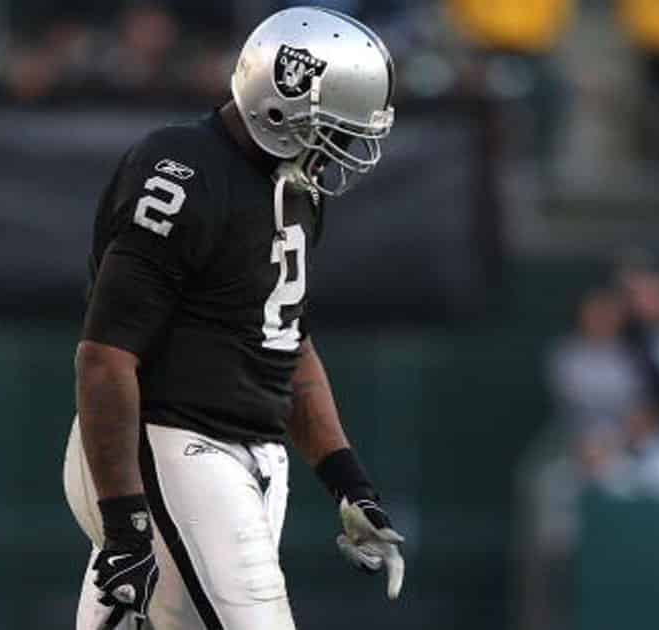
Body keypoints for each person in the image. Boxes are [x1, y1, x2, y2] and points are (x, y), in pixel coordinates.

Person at [61, 7, 405, 630]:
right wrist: (124, 527)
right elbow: (105, 356)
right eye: (333, 128)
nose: (344, 149)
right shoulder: (181, 172)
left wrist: (349, 481)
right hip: (171, 440)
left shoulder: (297, 186)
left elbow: (284, 338)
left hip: (252, 455)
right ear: (282, 105)